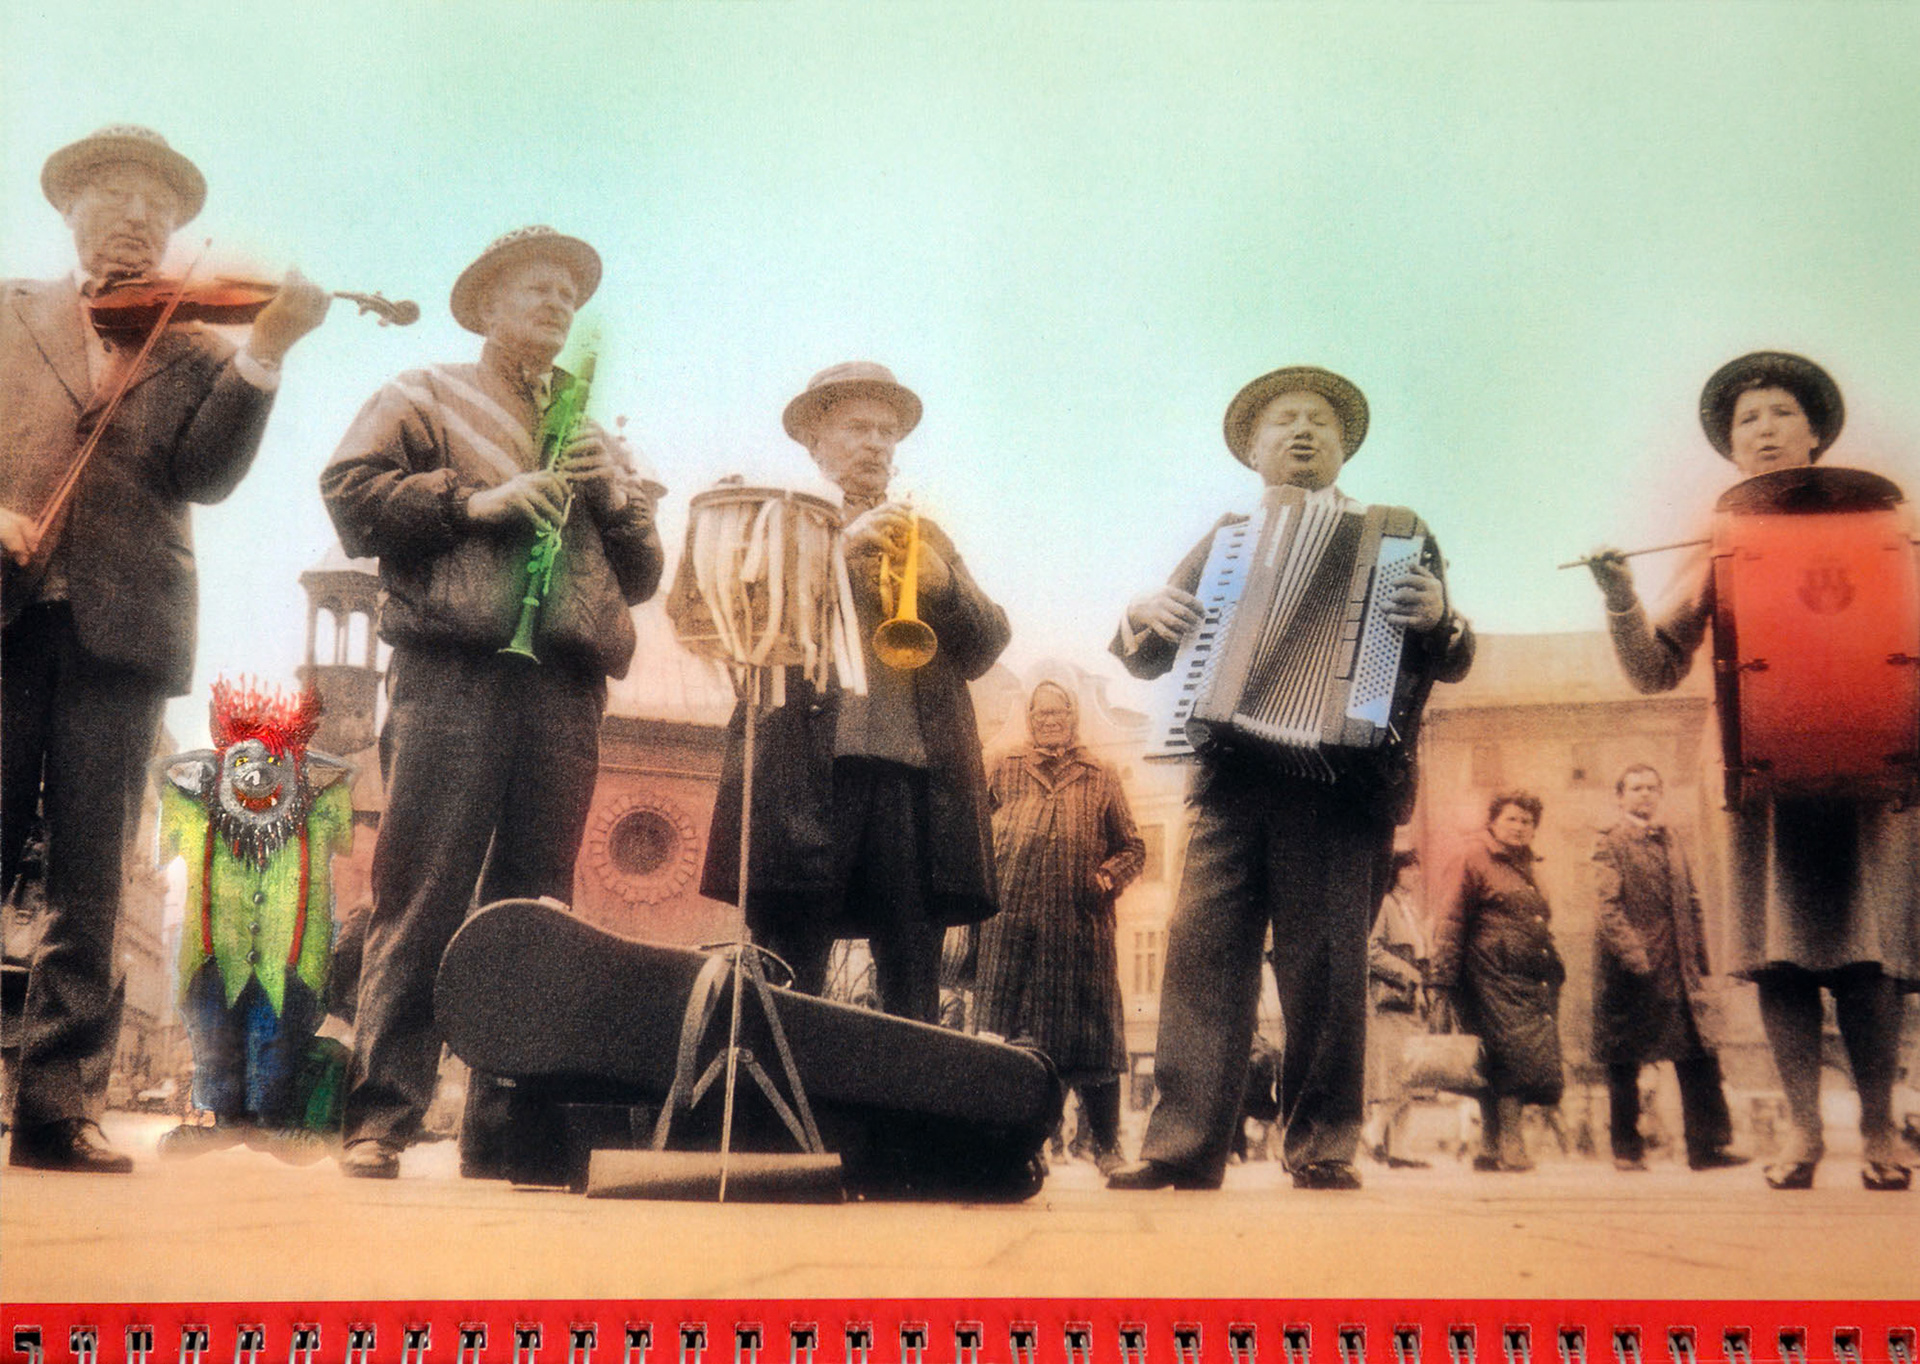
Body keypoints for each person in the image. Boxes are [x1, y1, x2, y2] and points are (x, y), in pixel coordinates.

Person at [1, 126, 328, 1173]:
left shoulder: (197, 346)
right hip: (5, 616)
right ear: (69, 208)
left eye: (159, 205)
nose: (138, 217)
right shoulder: (8, 311)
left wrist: (266, 352)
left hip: (124, 630)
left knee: (93, 879)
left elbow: (207, 475)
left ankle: (56, 1109)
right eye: (114, 195)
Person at [321, 226, 664, 1179]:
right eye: (537, 288)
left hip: (565, 684)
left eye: (568, 294)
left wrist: (619, 500)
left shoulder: (597, 436)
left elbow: (640, 577)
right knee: (423, 890)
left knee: (536, 906)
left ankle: (507, 1131)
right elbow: (349, 494)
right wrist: (477, 503)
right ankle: (383, 1115)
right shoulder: (424, 392)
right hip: (454, 670)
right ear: (487, 304)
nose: (558, 303)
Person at [1105, 365, 1474, 1192]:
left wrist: (1441, 621)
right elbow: (1151, 653)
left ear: (1343, 447)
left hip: (1342, 782)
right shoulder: (1226, 540)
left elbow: (1446, 654)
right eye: (1284, 420)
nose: (1304, 431)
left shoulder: (1396, 532)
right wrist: (1139, 614)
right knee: (1202, 954)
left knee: (1328, 969)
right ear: (1254, 449)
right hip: (1231, 778)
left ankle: (1322, 1145)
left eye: (1320, 421)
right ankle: (1182, 1147)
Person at [1585, 351, 1918, 1192]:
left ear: (1815, 433)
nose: (1765, 430)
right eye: (1747, 420)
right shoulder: (1722, 539)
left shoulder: (1887, 526)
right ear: (1731, 446)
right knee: (1779, 956)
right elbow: (1654, 669)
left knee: (1871, 957)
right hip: (1756, 771)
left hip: (1871, 773)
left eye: (1781, 413)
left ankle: (1881, 1129)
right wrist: (1621, 596)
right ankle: (1802, 1132)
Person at [700, 362, 1010, 1025]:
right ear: (816, 443)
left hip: (912, 784)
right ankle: (781, 1088)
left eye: (887, 433)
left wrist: (944, 586)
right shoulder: (777, 517)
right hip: (805, 780)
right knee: (791, 966)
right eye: (858, 428)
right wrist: (837, 549)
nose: (876, 444)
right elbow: (736, 618)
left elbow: (988, 643)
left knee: (912, 977)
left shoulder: (925, 535)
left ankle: (907, 1092)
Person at [973, 681, 1146, 1176]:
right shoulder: (1003, 766)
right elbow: (973, 830)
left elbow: (1134, 848)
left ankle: (1107, 1147)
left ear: (1073, 717)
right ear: (1029, 718)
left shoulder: (1100, 773)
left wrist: (1105, 878)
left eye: (1059, 713)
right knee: (1008, 1041)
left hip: (1079, 927)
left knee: (1095, 1039)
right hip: (1011, 930)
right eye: (1041, 713)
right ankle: (1019, 1148)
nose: (1050, 721)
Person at [1591, 764, 1746, 1173]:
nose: (1645, 794)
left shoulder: (1673, 839)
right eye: (1636, 788)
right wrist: (1635, 956)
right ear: (1620, 797)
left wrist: (1701, 960)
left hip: (1678, 967)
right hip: (1630, 971)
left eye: (1652, 788)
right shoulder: (1609, 842)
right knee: (1624, 1058)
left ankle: (1707, 1148)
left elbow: (1692, 902)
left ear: (1660, 794)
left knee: (1697, 1050)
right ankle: (1626, 1150)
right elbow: (1607, 908)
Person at [1429, 789, 1565, 1174]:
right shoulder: (1472, 857)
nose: (1519, 827)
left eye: (1527, 821)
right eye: (1512, 819)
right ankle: (1511, 1144)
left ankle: (1490, 1146)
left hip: (1527, 980)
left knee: (1498, 1060)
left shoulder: (1529, 865)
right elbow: (1451, 920)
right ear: (1493, 822)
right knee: (1510, 1058)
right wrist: (1441, 980)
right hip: (1486, 977)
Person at [1361, 850, 1432, 1169]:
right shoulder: (1385, 905)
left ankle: (1400, 1150)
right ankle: (1374, 1131)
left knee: (1411, 1071)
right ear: (1394, 873)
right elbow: (1370, 950)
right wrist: (1408, 972)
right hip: (1390, 1000)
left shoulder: (1410, 908)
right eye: (1408, 869)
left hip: (1412, 1000)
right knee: (1400, 1071)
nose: (1415, 874)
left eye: (1417, 869)